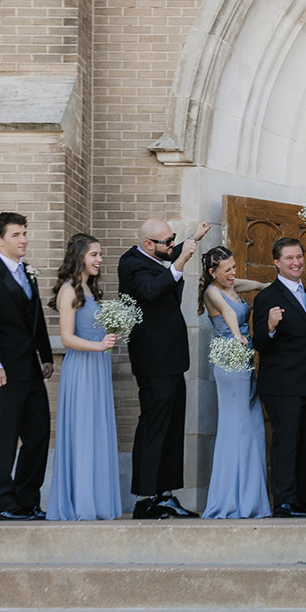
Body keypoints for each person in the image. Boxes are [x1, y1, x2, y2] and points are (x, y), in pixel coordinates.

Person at [118, 217, 210, 520]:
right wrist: (181, 260)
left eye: (173, 239)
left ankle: (166, 494)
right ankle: (146, 498)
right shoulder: (131, 264)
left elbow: (173, 253)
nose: (173, 245)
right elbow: (152, 290)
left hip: (171, 359)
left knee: (172, 426)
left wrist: (191, 238)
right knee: (154, 426)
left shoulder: (160, 253)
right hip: (153, 360)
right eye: (167, 241)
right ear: (148, 244)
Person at [0, 211, 54, 521]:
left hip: (30, 369)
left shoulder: (28, 273)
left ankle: (27, 499)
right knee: (5, 436)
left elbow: (36, 320)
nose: (24, 240)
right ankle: (3, 503)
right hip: (3, 371)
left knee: (39, 434)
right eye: (16, 235)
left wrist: (45, 354)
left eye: (24, 233)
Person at [251, 236, 306, 517]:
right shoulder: (267, 297)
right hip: (283, 385)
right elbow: (259, 341)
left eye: (299, 257)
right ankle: (284, 502)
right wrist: (270, 326)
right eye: (289, 258)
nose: (296, 262)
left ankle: (302, 501)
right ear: (276, 262)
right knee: (286, 442)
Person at [48, 233, 121, 522]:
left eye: (100, 254)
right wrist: (99, 345)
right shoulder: (68, 290)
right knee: (83, 433)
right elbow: (66, 338)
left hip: (98, 368)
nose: (99, 260)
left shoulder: (90, 290)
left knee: (97, 432)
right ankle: (81, 503)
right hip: (81, 368)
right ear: (79, 256)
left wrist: (110, 336)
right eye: (94, 254)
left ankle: (97, 500)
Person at [199, 246, 271, 519]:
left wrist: (268, 285)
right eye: (226, 269)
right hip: (230, 359)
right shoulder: (212, 292)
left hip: (244, 361)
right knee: (237, 427)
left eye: (233, 267)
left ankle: (250, 498)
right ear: (212, 272)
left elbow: (252, 284)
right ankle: (232, 499)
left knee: (250, 425)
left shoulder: (230, 284)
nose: (232, 273)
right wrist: (236, 335)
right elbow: (229, 313)